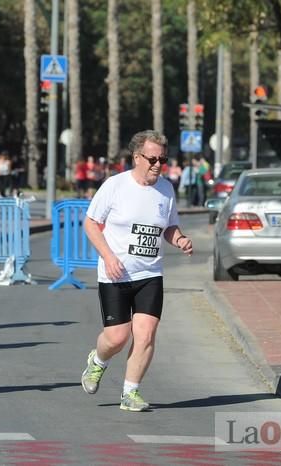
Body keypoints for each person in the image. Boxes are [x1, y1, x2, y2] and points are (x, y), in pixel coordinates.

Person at [80, 130, 194, 412]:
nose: (158, 164)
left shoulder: (166, 189)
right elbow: (91, 223)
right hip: (116, 274)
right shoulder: (115, 186)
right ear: (137, 157)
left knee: (145, 333)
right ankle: (98, 361)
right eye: (153, 158)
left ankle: (130, 393)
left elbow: (169, 226)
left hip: (149, 274)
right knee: (117, 337)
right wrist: (107, 256)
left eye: (163, 160)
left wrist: (179, 239)